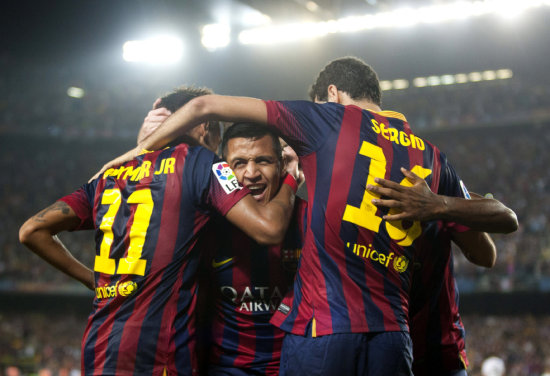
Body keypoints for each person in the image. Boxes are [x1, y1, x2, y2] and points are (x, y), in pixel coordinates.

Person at [94, 56, 518, 375]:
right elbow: (489, 245)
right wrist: (438, 207)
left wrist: (137, 152)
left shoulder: (326, 123)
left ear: (332, 96)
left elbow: (204, 112)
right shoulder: (429, 156)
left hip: (323, 332)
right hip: (396, 337)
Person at [19, 87, 300, 376]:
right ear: (204, 126)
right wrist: (293, 176)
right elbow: (268, 228)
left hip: (98, 349)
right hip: (160, 356)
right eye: (216, 136)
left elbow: (31, 230)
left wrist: (93, 281)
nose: (217, 150)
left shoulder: (107, 177)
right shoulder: (202, 164)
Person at [368, 172, 517, 375]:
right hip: (409, 347)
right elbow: (486, 255)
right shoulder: (432, 184)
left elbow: (488, 251)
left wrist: (442, 204)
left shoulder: (430, 189)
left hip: (426, 352)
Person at [198, 122, 307, 375]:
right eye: (239, 163)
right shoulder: (207, 225)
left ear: (281, 165)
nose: (251, 173)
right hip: (225, 369)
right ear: (224, 170)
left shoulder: (309, 219)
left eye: (263, 161)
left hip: (294, 366)